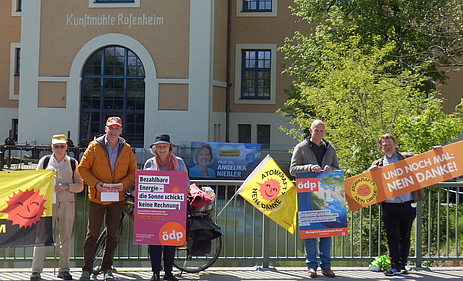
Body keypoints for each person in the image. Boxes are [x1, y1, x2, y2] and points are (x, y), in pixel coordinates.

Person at [78, 116, 137, 281]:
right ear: (105, 129)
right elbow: (82, 169)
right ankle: (87, 269)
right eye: (110, 127)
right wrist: (96, 184)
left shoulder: (126, 149)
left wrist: (123, 185)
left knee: (113, 235)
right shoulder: (94, 146)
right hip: (97, 198)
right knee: (92, 235)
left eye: (116, 128)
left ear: (121, 130)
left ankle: (107, 268)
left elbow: (133, 172)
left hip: (116, 198)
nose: (113, 131)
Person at [368, 133, 424, 276]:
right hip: (390, 206)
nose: (387, 147)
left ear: (395, 145)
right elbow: (365, 182)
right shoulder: (377, 164)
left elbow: (427, 161)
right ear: (380, 148)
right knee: (392, 237)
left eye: (389, 144)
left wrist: (438, 150)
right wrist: (369, 172)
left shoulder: (408, 158)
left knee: (405, 236)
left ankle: (403, 265)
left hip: (408, 204)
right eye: (384, 145)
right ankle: (395, 265)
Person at [289, 120, 339, 278]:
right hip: (307, 194)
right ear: (310, 131)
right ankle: (312, 267)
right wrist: (309, 167)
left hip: (326, 194)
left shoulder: (330, 148)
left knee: (326, 231)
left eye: (321, 131)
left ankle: (326, 266)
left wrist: (331, 169)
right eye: (316, 130)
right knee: (310, 232)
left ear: (325, 132)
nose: (319, 133)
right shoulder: (301, 147)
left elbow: (338, 168)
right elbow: (292, 169)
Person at [30, 134, 84, 281]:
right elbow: (36, 183)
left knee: (65, 237)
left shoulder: (73, 163)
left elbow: (80, 186)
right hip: (47, 205)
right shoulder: (44, 161)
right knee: (41, 238)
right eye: (56, 146)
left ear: (66, 147)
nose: (59, 149)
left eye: (62, 146)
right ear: (51, 147)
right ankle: (36, 271)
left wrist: (67, 186)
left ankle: (64, 270)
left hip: (67, 204)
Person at [144, 134, 188, 281]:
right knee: (154, 241)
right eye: (159, 147)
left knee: (170, 241)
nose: (162, 149)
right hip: (154, 209)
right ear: (155, 149)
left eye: (165, 146)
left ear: (170, 148)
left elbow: (185, 183)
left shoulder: (179, 163)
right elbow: (144, 185)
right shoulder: (148, 163)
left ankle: (168, 272)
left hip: (172, 208)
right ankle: (155, 272)